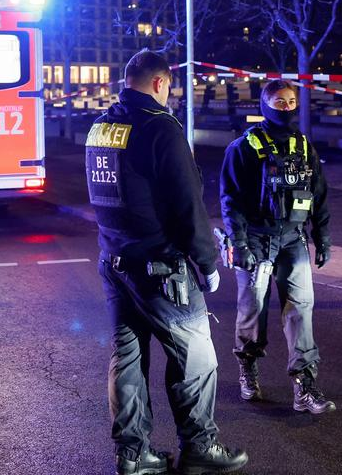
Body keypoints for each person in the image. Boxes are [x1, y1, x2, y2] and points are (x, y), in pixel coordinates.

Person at [87, 50, 248, 475]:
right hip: (161, 267)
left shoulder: (101, 126)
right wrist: (207, 263)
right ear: (160, 83)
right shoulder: (160, 128)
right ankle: (199, 446)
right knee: (197, 360)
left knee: (127, 360)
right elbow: (186, 204)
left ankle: (132, 454)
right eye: (170, 86)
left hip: (116, 261)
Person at [219, 79, 336, 415]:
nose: (285, 107)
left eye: (290, 101)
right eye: (278, 101)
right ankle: (248, 366)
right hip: (255, 240)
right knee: (253, 310)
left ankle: (304, 386)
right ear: (264, 104)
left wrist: (323, 237)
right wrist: (239, 242)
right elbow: (231, 199)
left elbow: (320, 195)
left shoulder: (303, 146)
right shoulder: (243, 147)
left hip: (292, 240)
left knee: (301, 311)